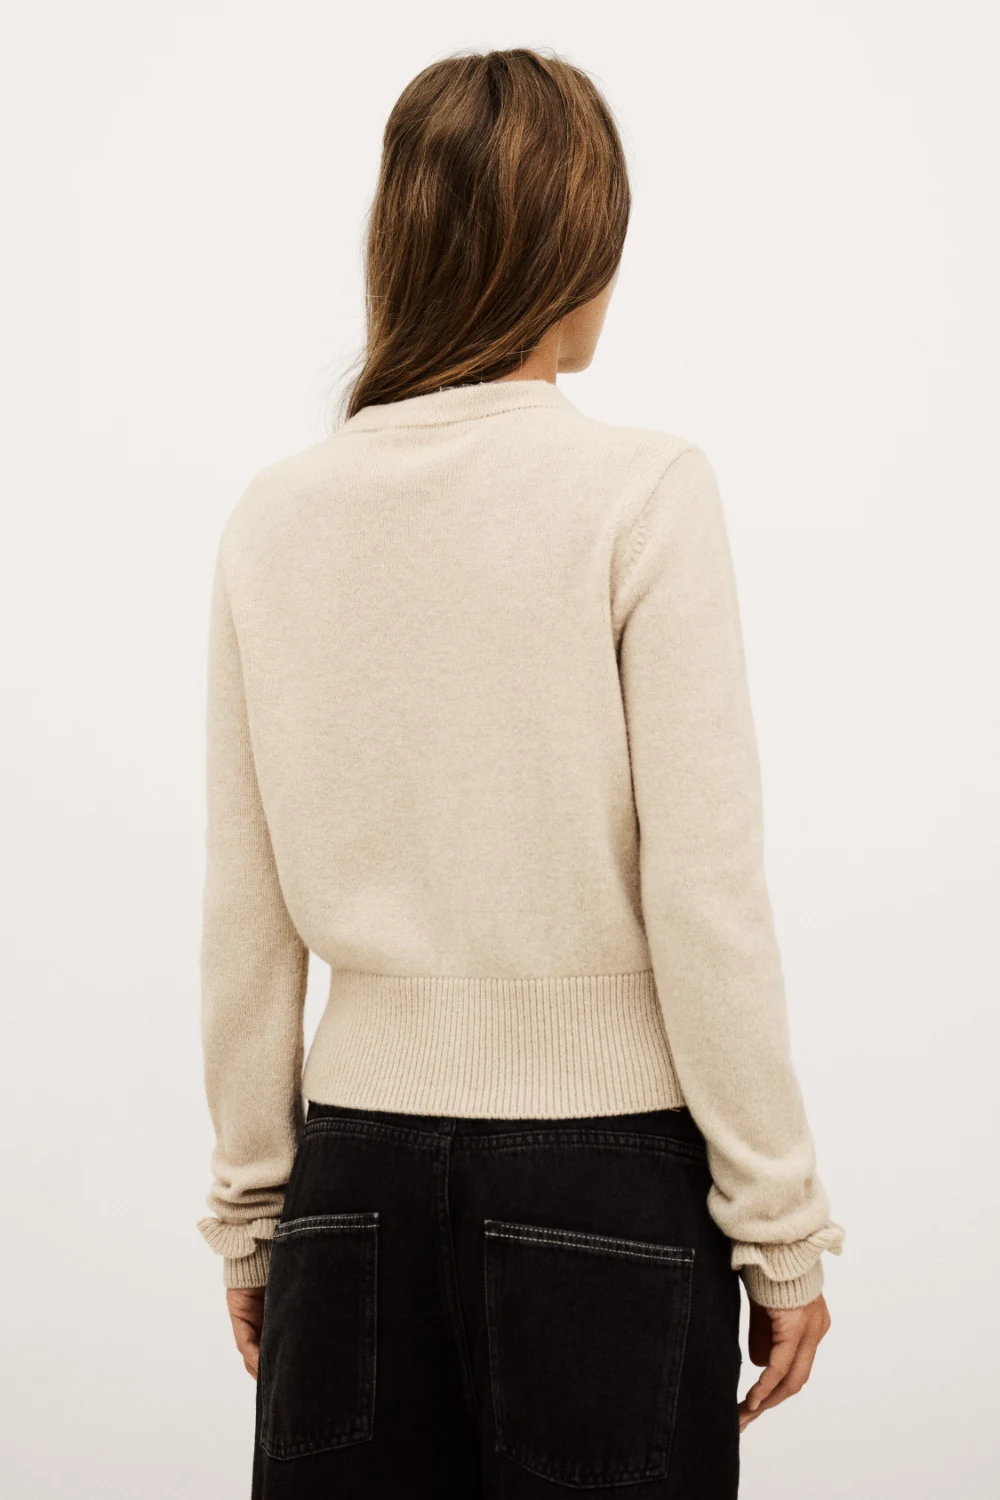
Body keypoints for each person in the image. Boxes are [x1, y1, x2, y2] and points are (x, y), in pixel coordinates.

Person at [196, 45, 845, 1500]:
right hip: (605, 1183)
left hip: (349, 1190)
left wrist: (253, 1209)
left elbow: (245, 914)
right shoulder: (643, 494)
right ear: (576, 247)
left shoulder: (275, 518)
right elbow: (706, 897)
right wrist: (780, 1226)